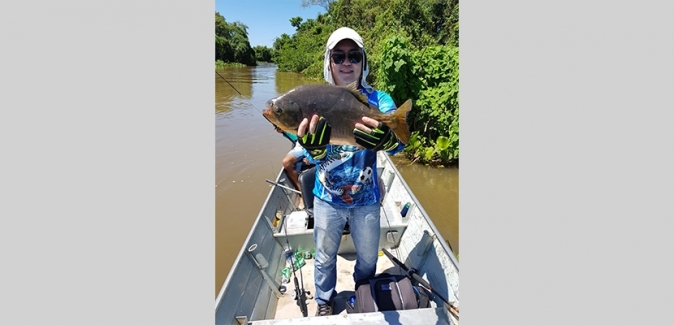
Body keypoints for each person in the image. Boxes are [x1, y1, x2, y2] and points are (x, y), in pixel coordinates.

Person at [296, 27, 405, 316]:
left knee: (368, 258)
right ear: (329, 62)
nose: (347, 62)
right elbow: (309, 153)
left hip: (367, 199)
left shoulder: (379, 101)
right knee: (323, 257)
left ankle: (364, 294)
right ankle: (323, 301)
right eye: (339, 56)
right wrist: (315, 150)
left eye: (354, 56)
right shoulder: (315, 99)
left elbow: (399, 146)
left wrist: (388, 139)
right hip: (326, 198)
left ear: (363, 62)